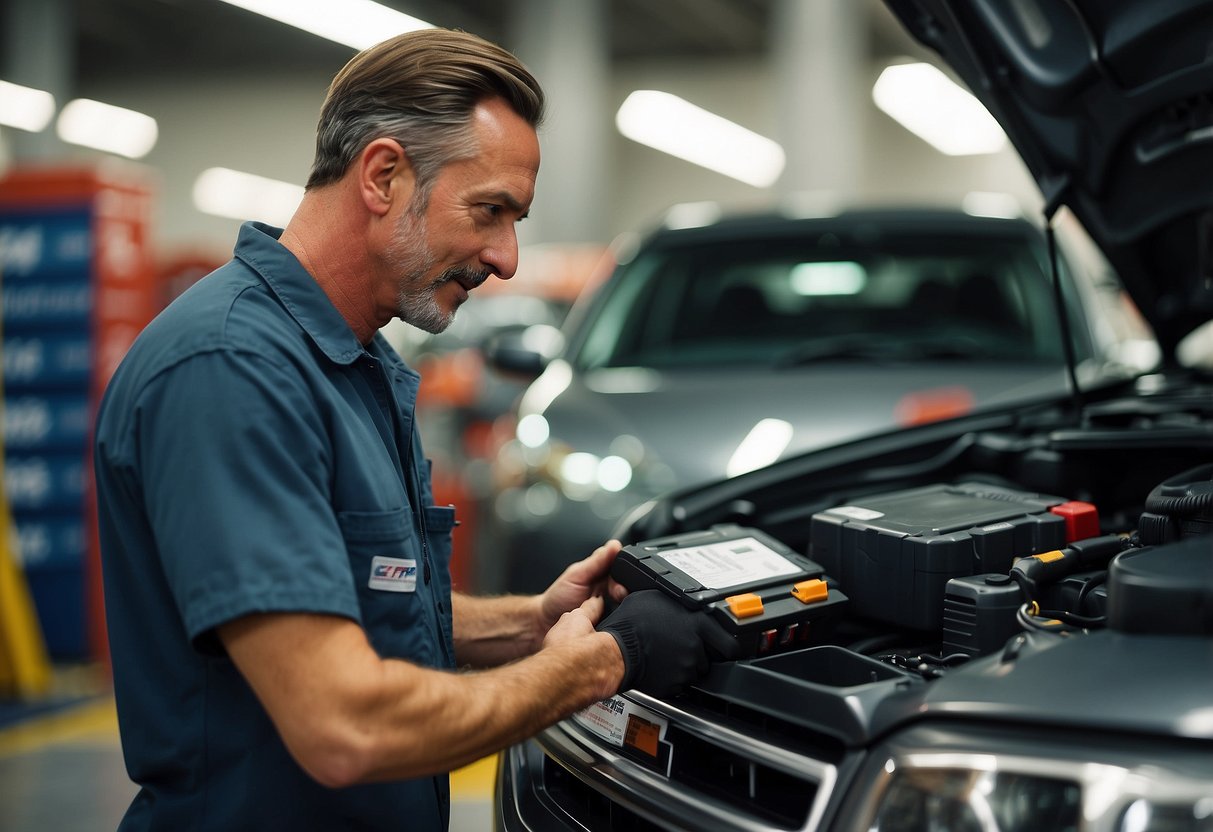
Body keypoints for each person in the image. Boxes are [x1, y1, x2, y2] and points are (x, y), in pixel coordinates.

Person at [92, 27, 733, 832]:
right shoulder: (232, 371)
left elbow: (352, 598)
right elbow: (343, 724)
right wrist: (598, 664)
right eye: (489, 212)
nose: (504, 258)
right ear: (384, 175)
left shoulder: (349, 364)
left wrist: (532, 623)